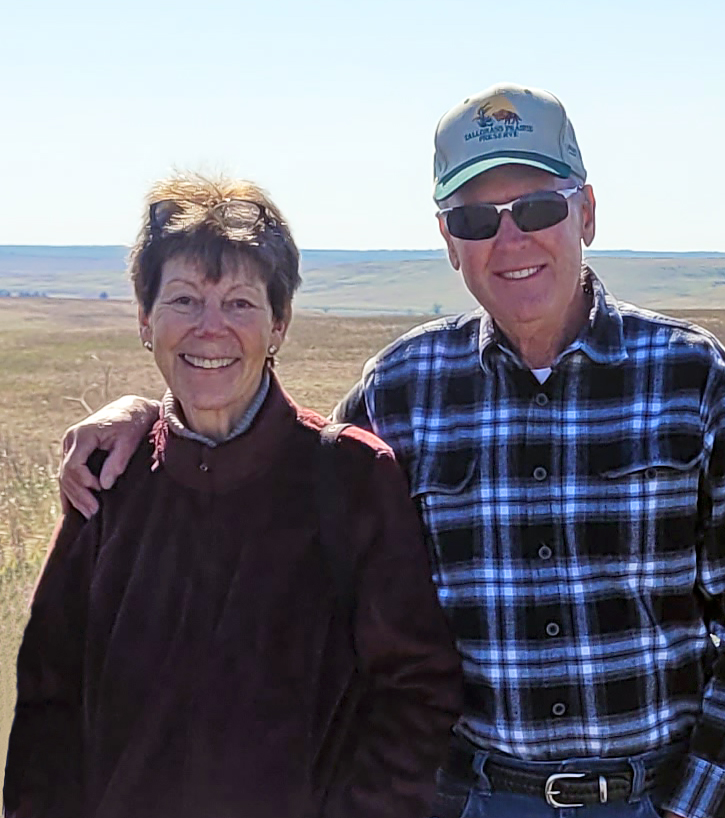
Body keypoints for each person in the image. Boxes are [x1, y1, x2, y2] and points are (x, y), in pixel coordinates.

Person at [56, 86, 725, 818]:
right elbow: (273, 459)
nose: (509, 242)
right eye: (476, 219)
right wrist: (150, 415)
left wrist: (689, 808)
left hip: (645, 797)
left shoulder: (692, 376)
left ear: (588, 213)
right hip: (465, 797)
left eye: (537, 207)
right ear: (449, 241)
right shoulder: (404, 386)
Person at [3, 175, 462, 818]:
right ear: (145, 319)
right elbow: (48, 703)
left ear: (279, 323)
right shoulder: (110, 479)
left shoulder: (350, 477)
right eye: (184, 299)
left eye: (241, 304)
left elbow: (415, 691)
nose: (210, 329)